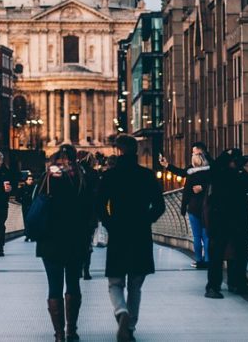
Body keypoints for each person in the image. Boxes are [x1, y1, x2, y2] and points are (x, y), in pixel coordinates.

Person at [97, 134, 165, 341]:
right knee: (136, 284)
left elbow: (100, 206)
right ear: (135, 151)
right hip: (140, 234)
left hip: (118, 233)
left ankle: (121, 312)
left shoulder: (109, 176)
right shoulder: (147, 175)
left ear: (118, 151)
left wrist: (110, 223)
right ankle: (131, 327)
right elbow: (160, 206)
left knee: (115, 282)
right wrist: (146, 220)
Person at [35, 145, 95, 341]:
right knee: (73, 284)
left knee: (54, 286)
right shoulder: (81, 179)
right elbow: (89, 210)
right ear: (74, 159)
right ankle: (72, 331)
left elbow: (35, 203)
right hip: (75, 240)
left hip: (50, 240)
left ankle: (59, 335)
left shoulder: (47, 179)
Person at [204, 148, 248, 299]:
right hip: (220, 219)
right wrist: (230, 164)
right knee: (217, 254)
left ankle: (238, 283)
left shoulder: (237, 174)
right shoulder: (218, 172)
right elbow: (216, 169)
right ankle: (213, 287)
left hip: (238, 220)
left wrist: (239, 168)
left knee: (240, 252)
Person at [158, 141, 212, 268]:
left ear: (200, 152)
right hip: (207, 207)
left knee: (197, 236)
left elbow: (185, 187)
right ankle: (208, 261)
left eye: (194, 152)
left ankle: (199, 260)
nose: (192, 154)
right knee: (206, 236)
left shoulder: (191, 172)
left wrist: (183, 208)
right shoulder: (210, 171)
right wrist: (167, 165)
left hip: (193, 208)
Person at [77, 148, 101, 280]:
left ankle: (78, 268)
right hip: (90, 213)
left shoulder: (73, 173)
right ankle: (86, 270)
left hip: (75, 215)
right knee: (87, 242)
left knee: (76, 242)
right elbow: (98, 194)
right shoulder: (94, 173)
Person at [17, 172, 37, 242]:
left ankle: (30, 235)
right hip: (25, 206)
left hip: (33, 206)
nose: (31, 181)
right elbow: (17, 197)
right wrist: (22, 202)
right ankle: (28, 235)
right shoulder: (22, 188)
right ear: (26, 180)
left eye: (31, 179)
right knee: (26, 220)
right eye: (29, 179)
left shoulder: (35, 188)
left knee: (32, 221)